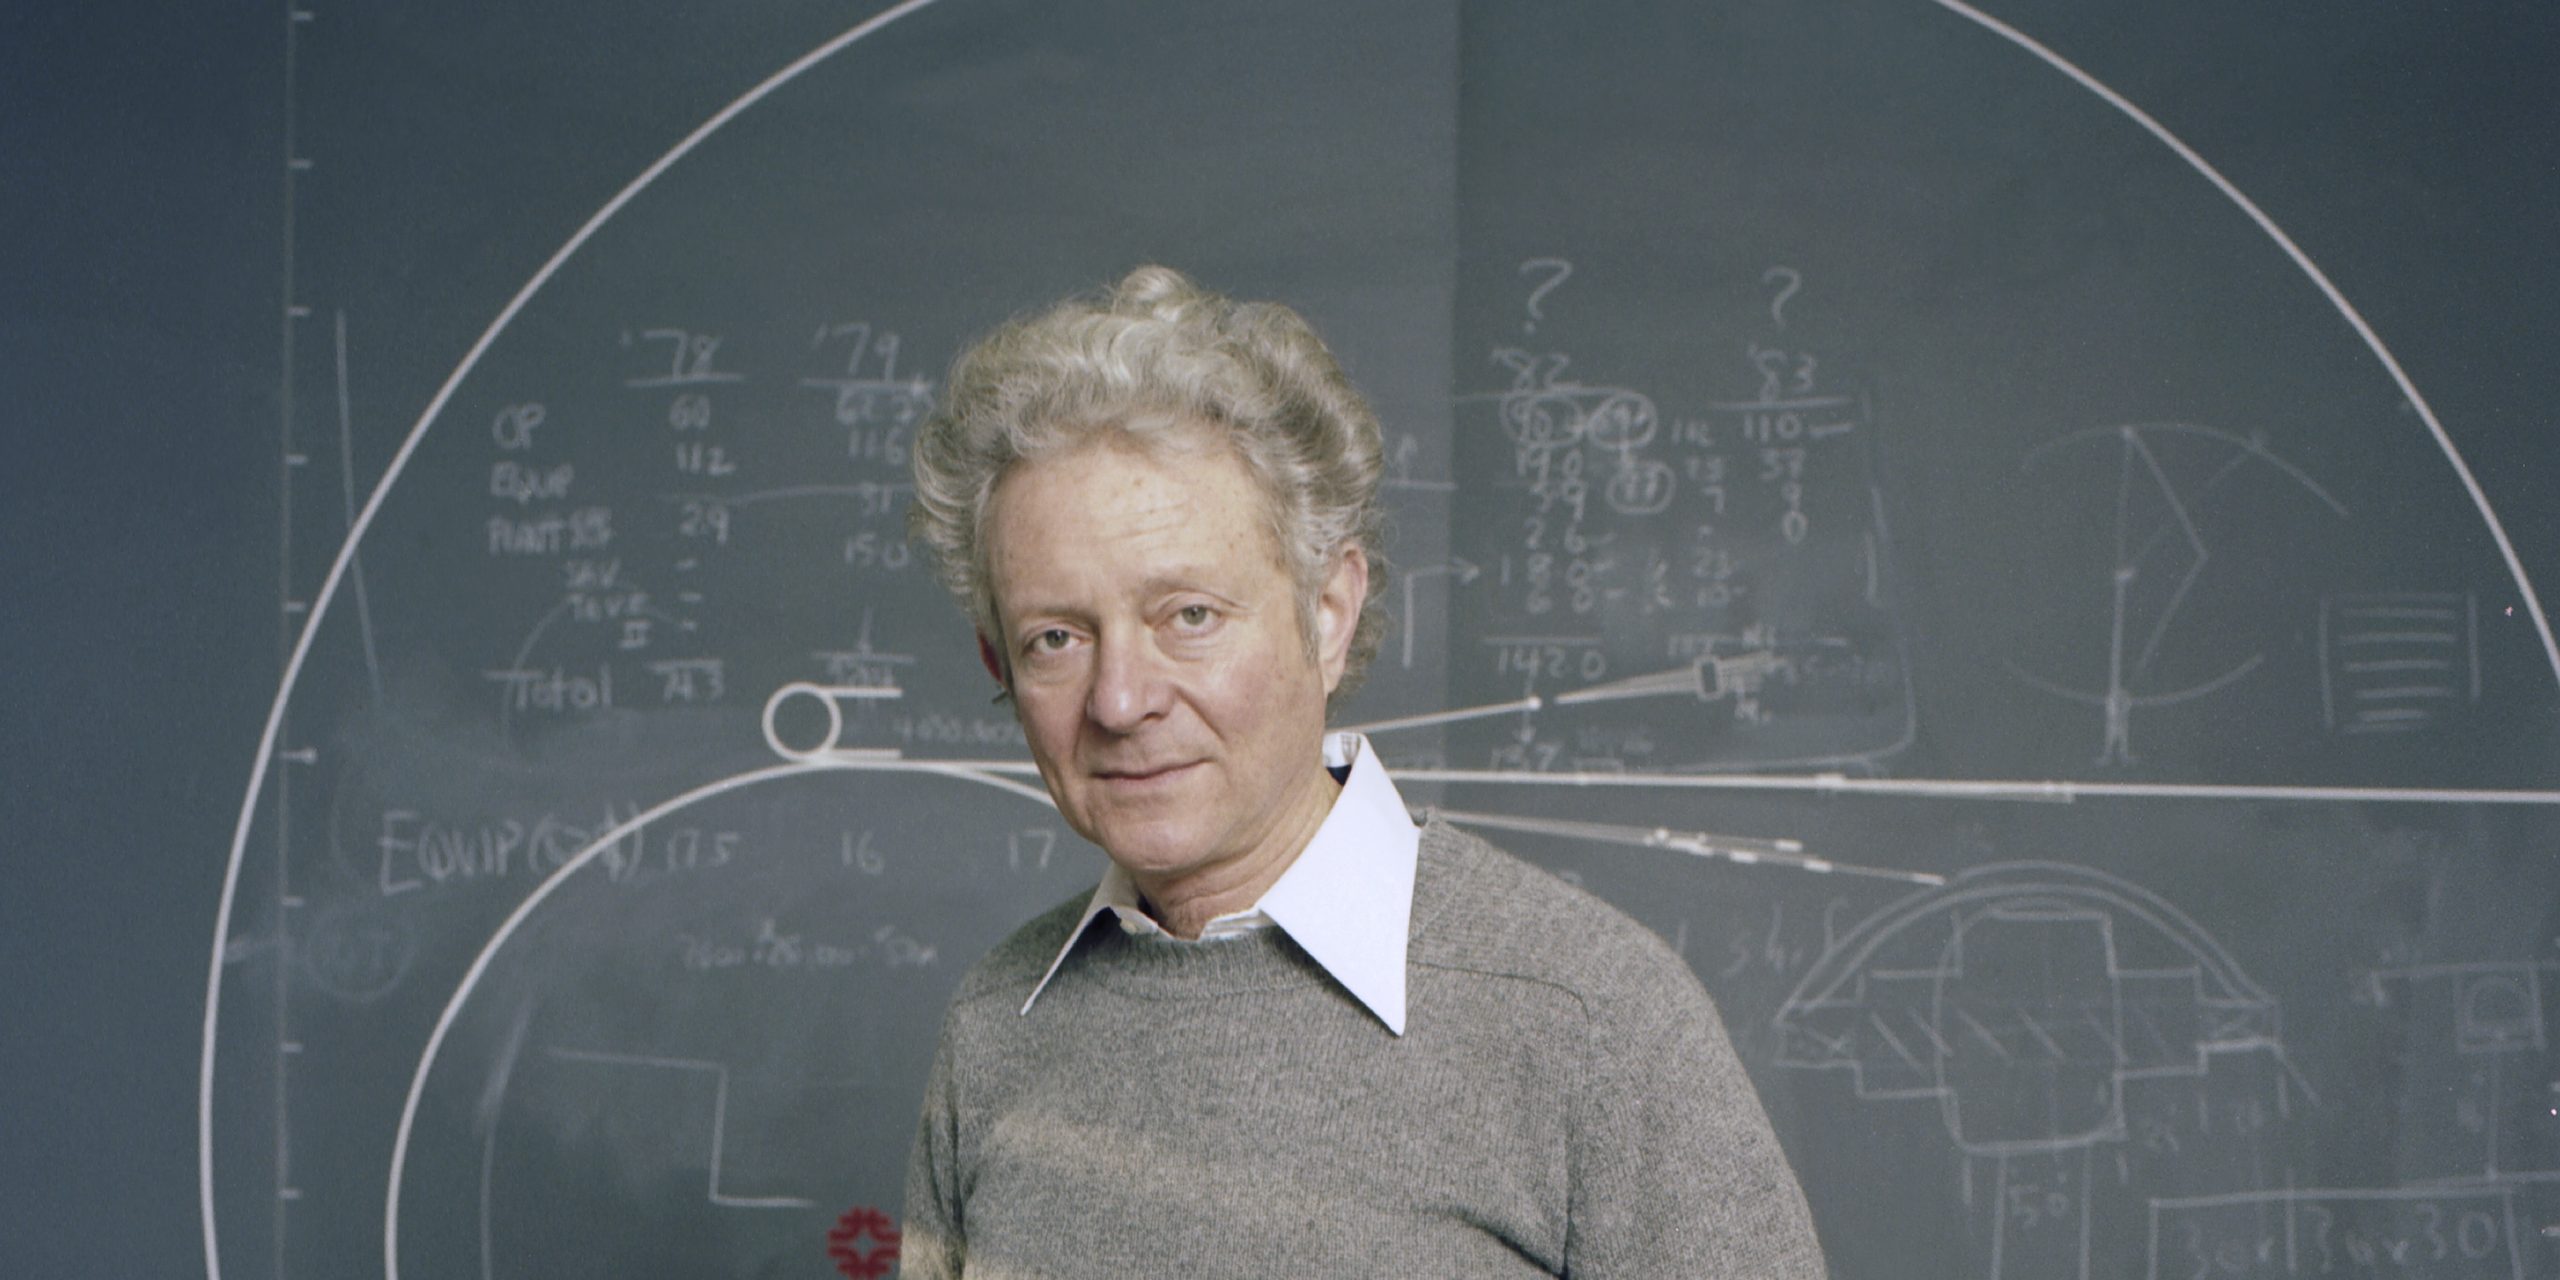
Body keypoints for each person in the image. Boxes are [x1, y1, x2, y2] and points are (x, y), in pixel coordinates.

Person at [897, 265, 1824, 1277]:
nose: (1121, 700)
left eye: (1189, 616)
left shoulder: (1588, 1017)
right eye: (1058, 636)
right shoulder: (995, 1028)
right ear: (999, 664)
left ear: (1327, 613)